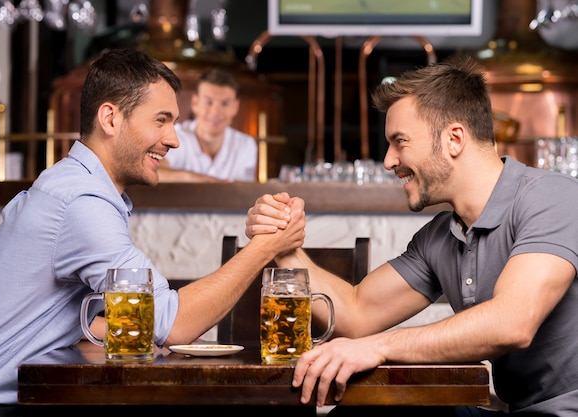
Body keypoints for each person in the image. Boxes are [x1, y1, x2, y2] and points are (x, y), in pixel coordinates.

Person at [0, 48, 305, 416]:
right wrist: (266, 246)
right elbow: (175, 324)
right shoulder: (80, 201)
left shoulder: (72, 185)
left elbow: (88, 319)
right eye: (161, 120)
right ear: (110, 118)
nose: (174, 139)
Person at [245, 56, 578, 416]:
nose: (388, 161)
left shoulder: (552, 197)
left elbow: (513, 322)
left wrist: (379, 347)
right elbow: (357, 312)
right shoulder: (439, 236)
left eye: (399, 141)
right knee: (380, 406)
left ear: (454, 138)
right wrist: (282, 244)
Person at [157, 67, 258, 182]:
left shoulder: (246, 144)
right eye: (208, 102)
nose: (215, 112)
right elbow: (157, 173)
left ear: (235, 107)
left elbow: (244, 190)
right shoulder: (176, 136)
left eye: (225, 103)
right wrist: (201, 180)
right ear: (195, 103)